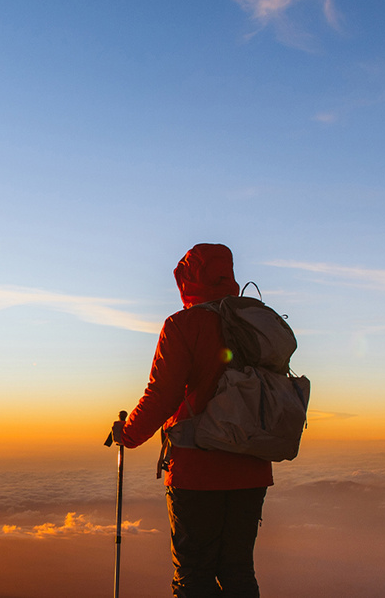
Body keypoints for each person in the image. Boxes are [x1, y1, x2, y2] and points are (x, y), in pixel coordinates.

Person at [110, 243, 271, 598]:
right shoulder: (255, 321)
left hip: (198, 469)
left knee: (194, 575)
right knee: (238, 570)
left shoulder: (183, 325)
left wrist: (129, 434)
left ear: (188, 279)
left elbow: (162, 395)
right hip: (252, 465)